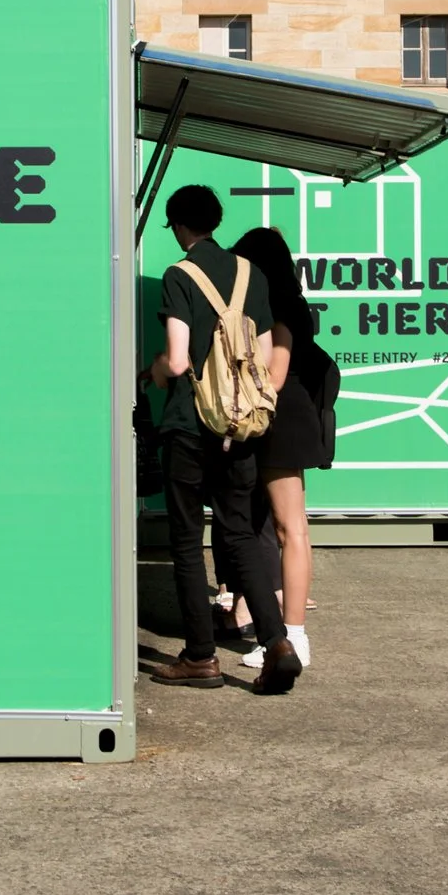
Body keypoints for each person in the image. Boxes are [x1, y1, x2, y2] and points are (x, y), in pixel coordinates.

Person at [146, 184, 301, 694]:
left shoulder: (179, 275)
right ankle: (277, 643)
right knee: (239, 536)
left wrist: (154, 372)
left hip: (190, 427)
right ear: (215, 221)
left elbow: (178, 360)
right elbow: (261, 356)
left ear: (178, 226)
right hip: (240, 426)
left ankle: (200, 657)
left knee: (188, 543)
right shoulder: (251, 274)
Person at [230, 226, 336, 670]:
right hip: (287, 416)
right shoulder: (290, 302)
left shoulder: (276, 308)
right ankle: (283, 631)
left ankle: (293, 635)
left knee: (290, 528)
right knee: (282, 527)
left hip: (278, 419)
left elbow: (275, 374)